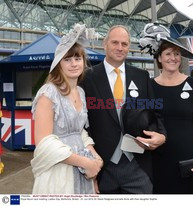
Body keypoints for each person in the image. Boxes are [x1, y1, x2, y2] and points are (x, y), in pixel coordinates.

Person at [81, 25, 167, 194]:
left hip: (138, 166)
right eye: (115, 42)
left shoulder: (141, 76)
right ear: (105, 44)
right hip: (102, 167)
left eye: (124, 44)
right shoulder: (87, 77)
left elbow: (155, 113)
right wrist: (89, 168)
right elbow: (82, 123)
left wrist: (162, 135)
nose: (120, 48)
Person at [139, 23, 193, 194]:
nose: (172, 58)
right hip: (159, 157)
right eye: (168, 54)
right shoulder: (148, 86)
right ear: (159, 58)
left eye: (177, 54)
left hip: (189, 155)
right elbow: (144, 121)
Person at [30, 24, 103, 194]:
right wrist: (85, 163)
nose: (73, 64)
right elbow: (44, 143)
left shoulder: (81, 92)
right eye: (67, 59)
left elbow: (79, 132)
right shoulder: (49, 92)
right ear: (58, 63)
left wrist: (95, 158)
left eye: (77, 59)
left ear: (83, 62)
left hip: (84, 171)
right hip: (59, 172)